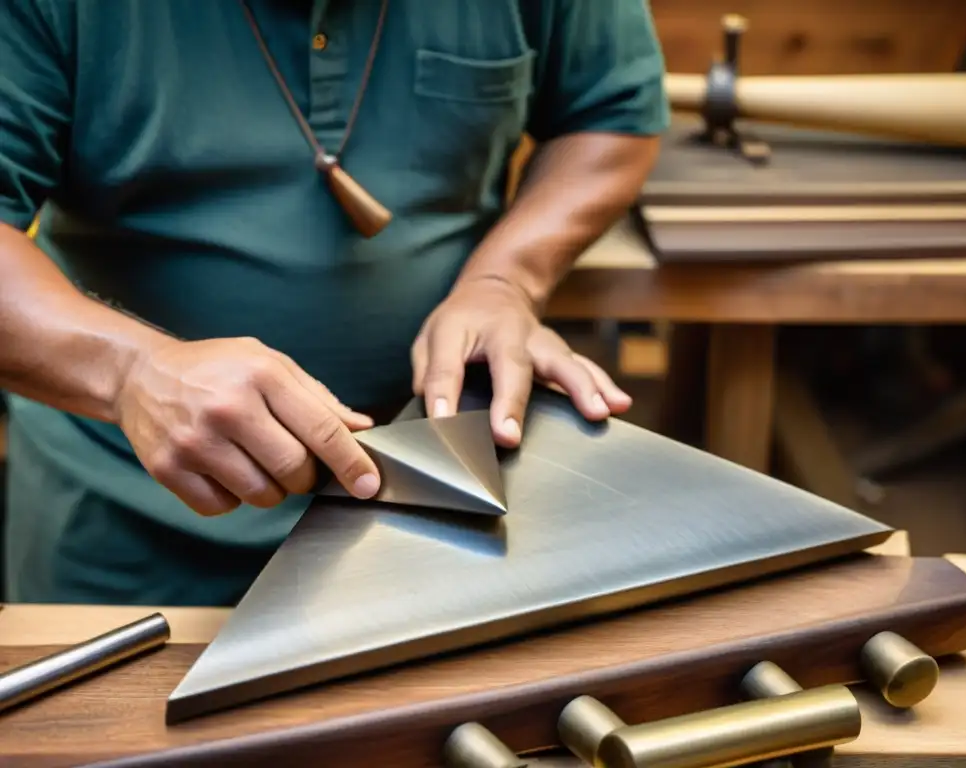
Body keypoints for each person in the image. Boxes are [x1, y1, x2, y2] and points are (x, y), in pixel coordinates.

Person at [0, 0, 669, 607]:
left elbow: (609, 112)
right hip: (129, 531)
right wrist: (129, 372)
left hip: (445, 503)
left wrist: (507, 280)